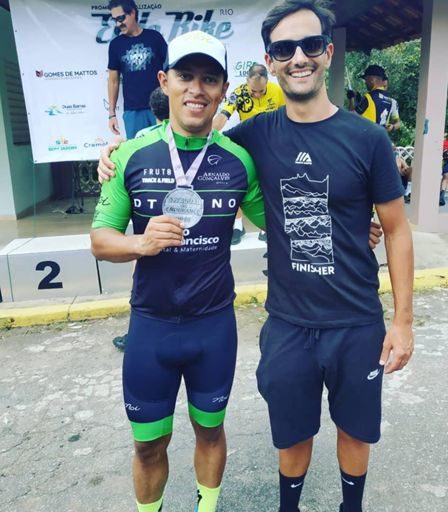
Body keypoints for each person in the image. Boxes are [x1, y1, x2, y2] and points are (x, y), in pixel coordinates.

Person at [97, 2, 414, 510]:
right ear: (271, 60)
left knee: (354, 430)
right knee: (289, 432)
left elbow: (394, 231)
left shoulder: (365, 138)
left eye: (310, 45)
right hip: (283, 320)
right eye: (285, 49)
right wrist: (116, 154)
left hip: (354, 318)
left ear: (328, 53)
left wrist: (401, 320)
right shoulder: (253, 136)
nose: (299, 57)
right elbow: (195, 140)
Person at [91, 31, 267, 512]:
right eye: (185, 75)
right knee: (148, 446)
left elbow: (279, 221)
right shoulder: (129, 155)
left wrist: (351, 224)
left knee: (210, 432)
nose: (196, 88)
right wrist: (139, 243)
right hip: (152, 328)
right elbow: (100, 240)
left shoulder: (239, 161)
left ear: (223, 89)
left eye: (209, 79)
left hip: (214, 327)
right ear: (164, 81)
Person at [111, 87, 171, 352]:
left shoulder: (141, 137)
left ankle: (136, 331)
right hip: (178, 218)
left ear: (153, 111)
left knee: (141, 277)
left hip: (149, 223)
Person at [213, 63, 286, 245]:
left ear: (267, 82)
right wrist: (207, 134)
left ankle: (267, 226)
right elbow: (223, 116)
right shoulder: (239, 93)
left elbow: (287, 117)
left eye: (261, 91)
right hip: (248, 142)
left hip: (272, 145)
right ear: (246, 82)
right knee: (238, 183)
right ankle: (238, 226)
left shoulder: (277, 91)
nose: (257, 94)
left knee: (271, 185)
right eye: (254, 91)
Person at [107, 0, 167, 139]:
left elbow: (170, 71)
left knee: (166, 148)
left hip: (161, 107)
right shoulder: (115, 45)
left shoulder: (155, 37)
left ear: (133, 13)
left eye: (121, 18)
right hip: (133, 112)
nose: (118, 24)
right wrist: (111, 114)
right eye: (115, 20)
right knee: (137, 151)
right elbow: (113, 81)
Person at [348, 64, 401, 133]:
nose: (365, 83)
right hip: (380, 138)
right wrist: (392, 127)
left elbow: (351, 117)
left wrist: (351, 98)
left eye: (366, 79)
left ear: (371, 79)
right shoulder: (393, 102)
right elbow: (397, 123)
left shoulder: (368, 98)